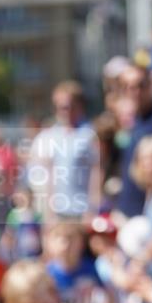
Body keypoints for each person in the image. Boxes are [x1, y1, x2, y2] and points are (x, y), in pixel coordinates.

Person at [26, 80, 101, 222]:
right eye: (59, 107)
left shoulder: (90, 134)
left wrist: (93, 208)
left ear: (79, 106)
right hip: (57, 211)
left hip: (82, 210)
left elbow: (96, 172)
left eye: (68, 106)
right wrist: (48, 213)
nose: (63, 111)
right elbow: (46, 176)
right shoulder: (48, 136)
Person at [116, 64, 152, 218]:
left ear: (150, 86)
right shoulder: (135, 121)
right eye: (127, 87)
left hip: (148, 214)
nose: (134, 92)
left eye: (140, 85)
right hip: (128, 208)